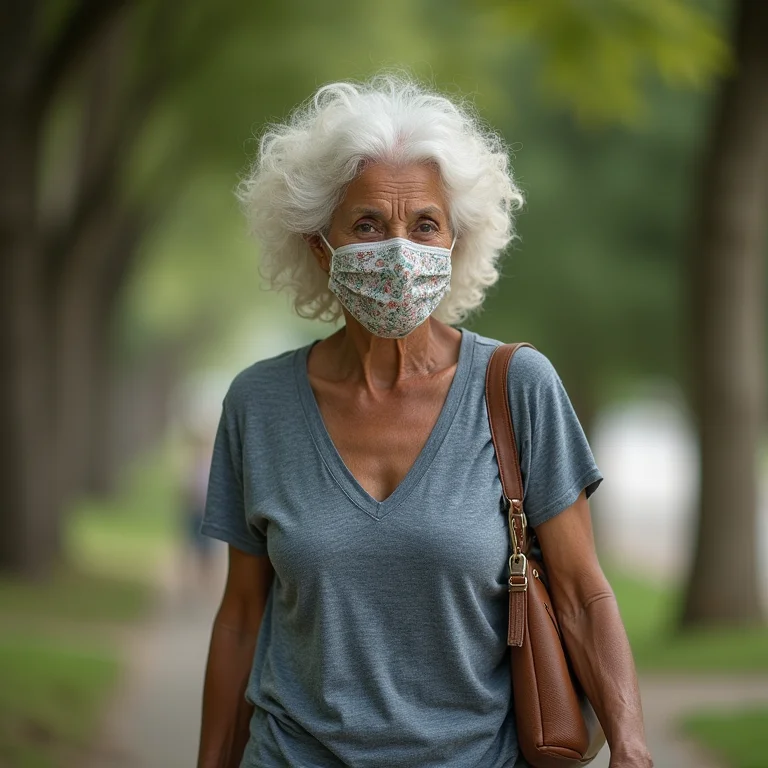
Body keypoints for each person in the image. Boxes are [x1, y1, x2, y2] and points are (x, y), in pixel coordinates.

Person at [197, 75, 653, 768]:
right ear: (321, 245)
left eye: (425, 225)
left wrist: (632, 746)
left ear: (454, 242)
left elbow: (585, 591)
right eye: (369, 224)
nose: (399, 250)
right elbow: (239, 618)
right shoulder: (258, 405)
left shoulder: (518, 387)